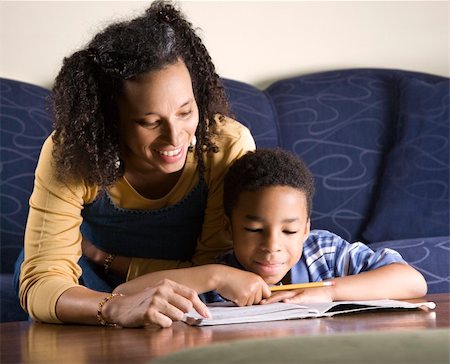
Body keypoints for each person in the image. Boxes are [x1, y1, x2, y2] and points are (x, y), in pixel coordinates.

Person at [15, 1, 262, 328]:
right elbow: (42, 282)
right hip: (83, 292)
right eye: (149, 122)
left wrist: (121, 266)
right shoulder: (70, 152)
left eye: (186, 112)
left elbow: (214, 272)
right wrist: (114, 306)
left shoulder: (225, 146)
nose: (175, 137)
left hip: (187, 296)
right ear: (111, 121)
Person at [113, 148, 428, 304]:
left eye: (289, 231)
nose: (272, 247)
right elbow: (124, 296)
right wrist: (215, 276)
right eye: (253, 230)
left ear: (305, 229)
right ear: (228, 229)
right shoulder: (222, 280)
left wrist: (327, 293)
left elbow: (413, 281)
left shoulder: (325, 253)